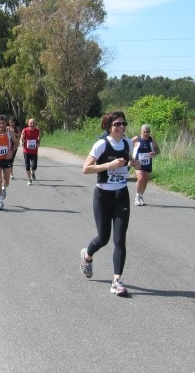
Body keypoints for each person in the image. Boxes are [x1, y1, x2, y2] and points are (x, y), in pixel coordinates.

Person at [79, 111, 141, 297]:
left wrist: (134, 163)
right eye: (117, 124)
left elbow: (129, 160)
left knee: (120, 240)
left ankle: (117, 281)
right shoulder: (101, 145)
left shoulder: (127, 143)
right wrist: (109, 165)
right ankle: (87, 256)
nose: (121, 127)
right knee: (103, 238)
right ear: (109, 127)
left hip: (121, 195)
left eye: (123, 124)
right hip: (102, 196)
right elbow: (86, 169)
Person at [131, 124, 160, 206]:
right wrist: (130, 156)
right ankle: (137, 196)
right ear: (141, 132)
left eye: (147, 132)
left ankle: (141, 196)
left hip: (147, 162)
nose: (146, 134)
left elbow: (158, 150)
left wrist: (154, 152)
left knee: (146, 180)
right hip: (138, 162)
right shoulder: (136, 139)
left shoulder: (151, 140)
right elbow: (126, 145)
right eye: (144, 132)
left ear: (150, 132)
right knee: (141, 178)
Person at [20, 118, 41, 185]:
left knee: (34, 166)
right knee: (27, 166)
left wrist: (38, 142)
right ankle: (29, 179)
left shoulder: (37, 130)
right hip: (26, 151)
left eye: (33, 123)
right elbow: (21, 138)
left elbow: (39, 137)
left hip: (34, 151)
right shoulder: (25, 130)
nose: (32, 124)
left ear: (35, 124)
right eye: (31, 123)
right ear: (28, 124)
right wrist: (21, 142)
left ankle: (32, 172)